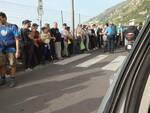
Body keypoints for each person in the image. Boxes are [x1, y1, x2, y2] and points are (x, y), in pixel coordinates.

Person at [0, 12, 20, 87]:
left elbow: (17, 39)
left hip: (11, 49)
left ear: (4, 18)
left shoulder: (12, 26)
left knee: (12, 64)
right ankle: (3, 79)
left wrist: (18, 51)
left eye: (0, 19)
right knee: (2, 64)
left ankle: (12, 80)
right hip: (1, 49)